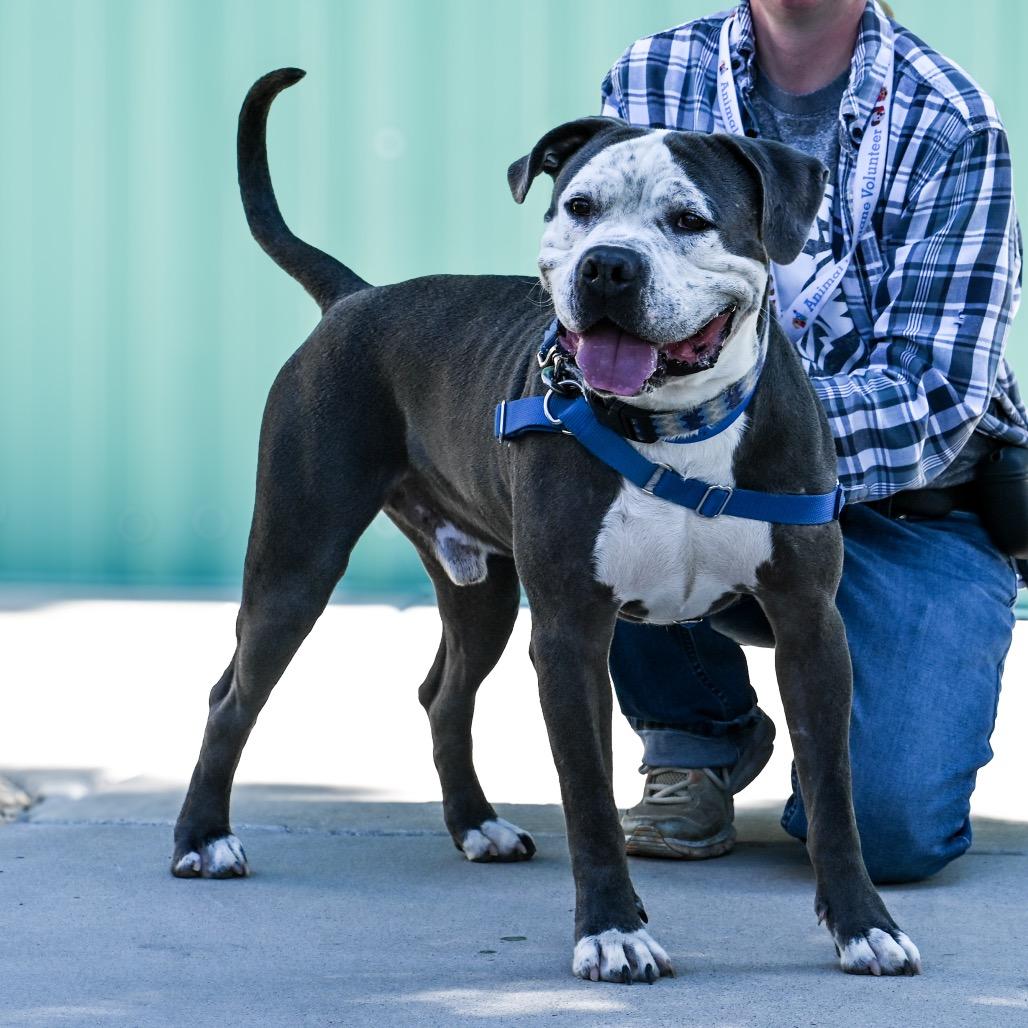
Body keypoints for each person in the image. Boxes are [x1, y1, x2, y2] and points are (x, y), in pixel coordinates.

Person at [599, 0, 1027, 883]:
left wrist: (744, 429)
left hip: (908, 503)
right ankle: (698, 732)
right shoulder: (652, 76)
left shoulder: (950, 119)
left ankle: (845, 751)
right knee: (599, 460)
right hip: (690, 465)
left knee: (890, 833)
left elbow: (935, 391)